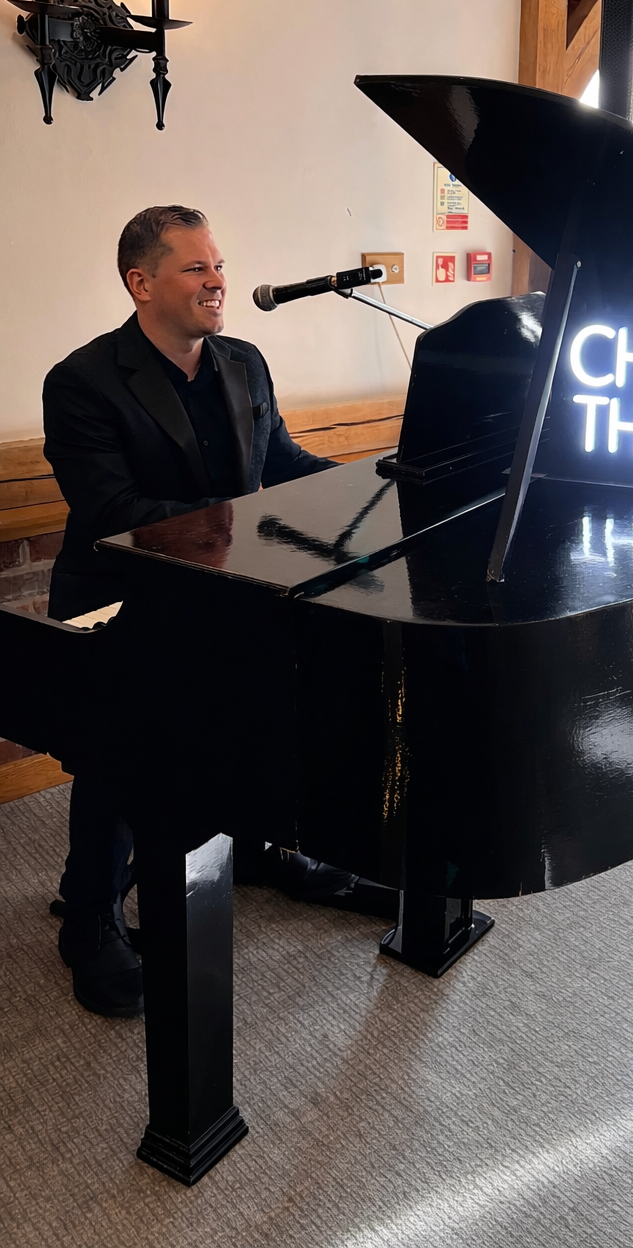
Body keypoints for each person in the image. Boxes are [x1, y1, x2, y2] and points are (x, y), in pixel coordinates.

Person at [43, 205, 380, 1018]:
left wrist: (373, 477)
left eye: (219, 264)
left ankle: (263, 848)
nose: (218, 280)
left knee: (259, 720)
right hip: (120, 602)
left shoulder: (243, 361)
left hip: (228, 588)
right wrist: (252, 520)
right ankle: (88, 915)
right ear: (141, 281)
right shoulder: (83, 381)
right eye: (196, 268)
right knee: (122, 760)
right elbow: (113, 508)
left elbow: (284, 462)